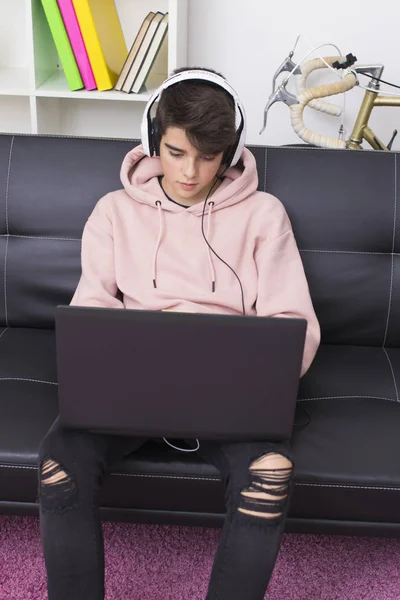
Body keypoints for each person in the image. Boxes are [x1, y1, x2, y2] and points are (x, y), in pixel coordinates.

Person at [38, 67, 320, 600]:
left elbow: (293, 322)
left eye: (208, 156)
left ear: (230, 152)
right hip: (128, 388)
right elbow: (92, 305)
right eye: (175, 152)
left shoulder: (264, 215)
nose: (190, 172)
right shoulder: (114, 212)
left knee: (270, 473)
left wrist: (266, 370)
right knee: (58, 465)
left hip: (232, 393)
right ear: (151, 142)